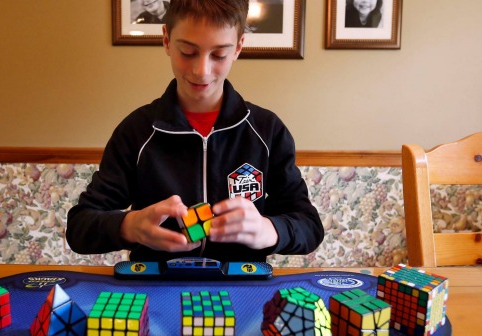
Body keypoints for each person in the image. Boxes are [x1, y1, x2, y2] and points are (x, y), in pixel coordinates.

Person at [67, 0, 324, 263]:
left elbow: (309, 226)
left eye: (219, 55)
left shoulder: (267, 131)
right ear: (166, 39)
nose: (202, 71)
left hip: (242, 286)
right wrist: (130, 226)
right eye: (188, 52)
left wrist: (269, 230)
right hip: (155, 286)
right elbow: (79, 227)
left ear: (238, 47)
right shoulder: (136, 131)